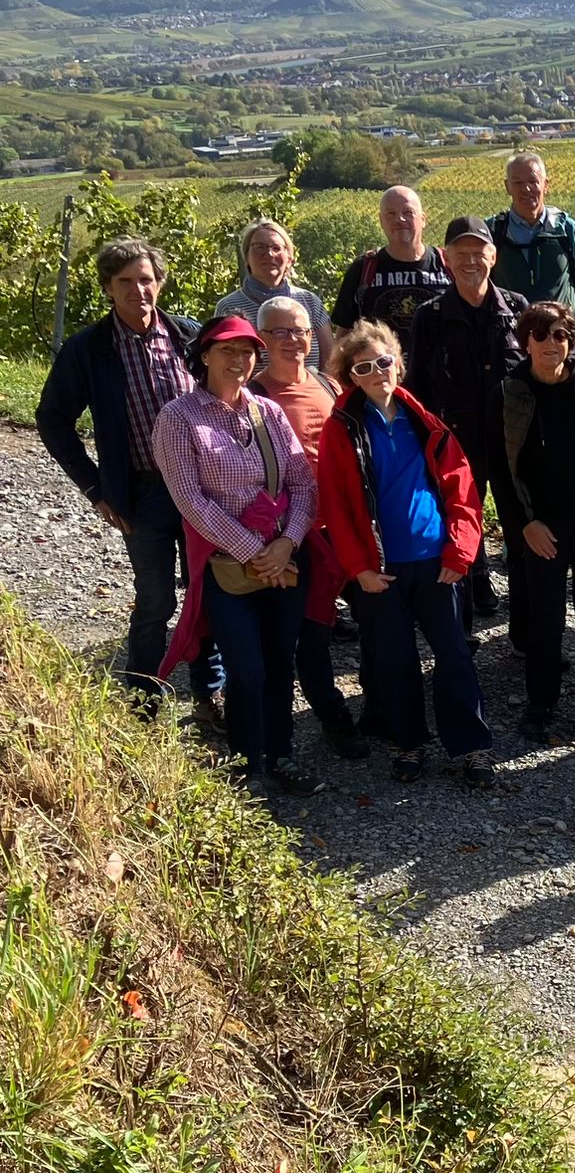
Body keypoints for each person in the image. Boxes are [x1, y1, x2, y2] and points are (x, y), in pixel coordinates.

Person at [36, 238, 223, 723]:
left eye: (146, 279)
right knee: (155, 600)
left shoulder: (187, 336)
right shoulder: (89, 349)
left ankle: (209, 695)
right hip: (142, 494)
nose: (138, 290)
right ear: (108, 288)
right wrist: (96, 488)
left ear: (159, 282)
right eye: (125, 282)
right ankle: (143, 702)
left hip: (204, 490)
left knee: (208, 591)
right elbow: (53, 418)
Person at [317, 321, 495, 789]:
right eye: (363, 367)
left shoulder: (425, 421)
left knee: (455, 655)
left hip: (437, 559)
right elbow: (334, 504)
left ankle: (472, 745)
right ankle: (408, 742)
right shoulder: (342, 430)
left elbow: (462, 487)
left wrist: (460, 551)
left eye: (383, 362)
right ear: (350, 376)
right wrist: (359, 569)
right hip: (381, 570)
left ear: (399, 362)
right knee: (394, 660)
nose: (377, 372)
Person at [152, 316, 321, 796]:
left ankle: (281, 754)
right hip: (230, 567)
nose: (239, 360)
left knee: (279, 661)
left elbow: (302, 483)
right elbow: (190, 500)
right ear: (205, 355)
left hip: (284, 560)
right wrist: (255, 552)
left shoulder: (267, 411)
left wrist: (286, 543)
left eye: (247, 351)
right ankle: (250, 763)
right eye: (228, 350)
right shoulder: (178, 418)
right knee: (247, 668)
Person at [487, 301, 575, 745]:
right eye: (543, 335)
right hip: (540, 527)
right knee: (544, 619)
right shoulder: (508, 394)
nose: (553, 343)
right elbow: (498, 471)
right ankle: (541, 703)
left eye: (562, 335)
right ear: (526, 341)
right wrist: (523, 526)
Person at [250, 298, 367, 760]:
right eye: (280, 332)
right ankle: (333, 719)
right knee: (312, 635)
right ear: (262, 340)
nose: (292, 340)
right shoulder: (253, 396)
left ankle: (378, 707)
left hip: (347, 527)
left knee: (379, 619)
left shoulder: (328, 384)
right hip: (296, 536)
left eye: (299, 331)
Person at [408, 216, 527, 632]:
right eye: (462, 253)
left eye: (479, 252)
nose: (471, 260)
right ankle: (464, 628)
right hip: (457, 445)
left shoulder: (517, 309)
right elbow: (416, 388)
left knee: (521, 534)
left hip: (513, 444)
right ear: (446, 259)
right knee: (461, 533)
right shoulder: (430, 317)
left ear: (493, 257)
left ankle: (525, 629)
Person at [329, 186, 451, 353]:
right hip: (381, 375)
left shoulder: (449, 265)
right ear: (381, 221)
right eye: (391, 214)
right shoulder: (363, 269)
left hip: (440, 377)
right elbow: (343, 337)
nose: (399, 219)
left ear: (423, 219)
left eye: (408, 212)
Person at [214, 218, 332, 371]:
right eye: (259, 247)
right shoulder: (229, 307)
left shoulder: (310, 302)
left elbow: (331, 362)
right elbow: (222, 365)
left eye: (276, 248)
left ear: (289, 260)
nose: (269, 254)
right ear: (246, 258)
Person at [490, 151, 575, 321]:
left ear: (546, 185)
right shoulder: (494, 230)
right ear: (507, 186)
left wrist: (573, 325)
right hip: (511, 340)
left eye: (533, 181)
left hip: (561, 338)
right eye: (518, 182)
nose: (526, 188)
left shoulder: (565, 229)